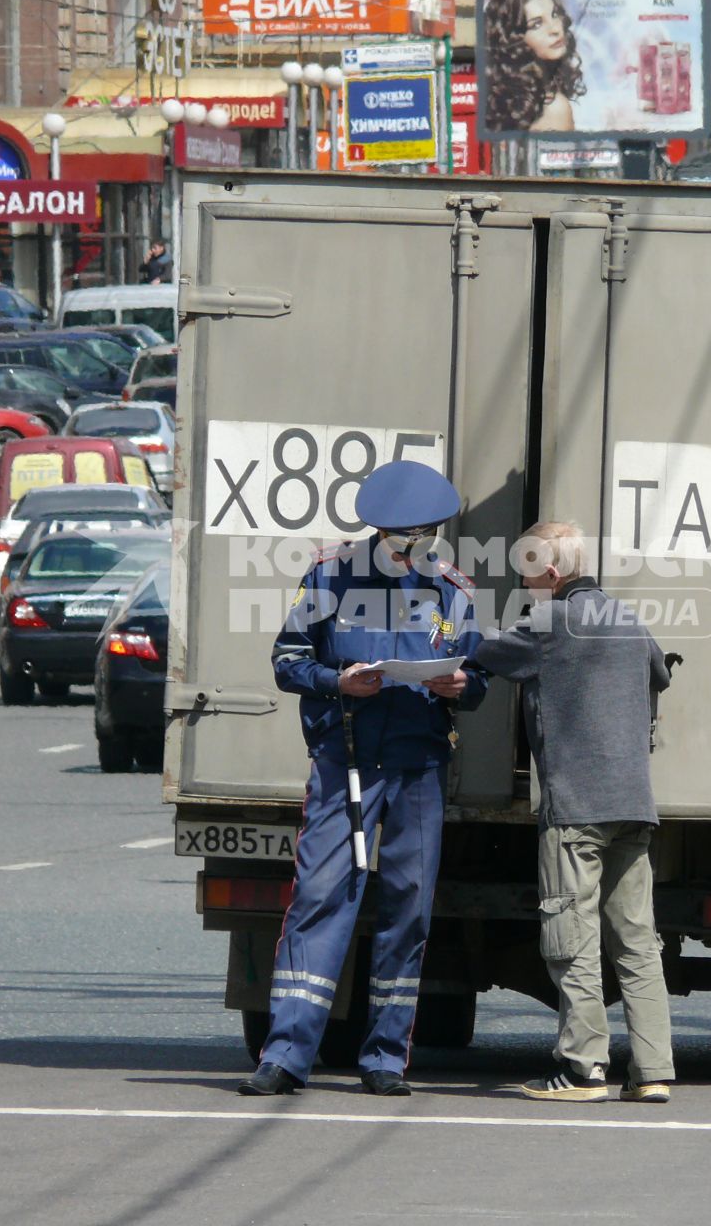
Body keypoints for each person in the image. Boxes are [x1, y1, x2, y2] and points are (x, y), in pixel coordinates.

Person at [239, 460, 490, 1098]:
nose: (417, 548)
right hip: (343, 762)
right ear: (382, 532)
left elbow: (478, 675)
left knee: (407, 908)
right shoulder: (328, 575)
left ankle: (384, 1060)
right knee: (321, 898)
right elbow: (288, 659)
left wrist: (461, 684)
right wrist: (337, 682)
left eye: (427, 535)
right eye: (407, 537)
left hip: (419, 767)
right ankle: (286, 1056)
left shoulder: (452, 589)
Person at [473, 522, 675, 1103]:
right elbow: (659, 675)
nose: (525, 585)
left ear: (552, 573)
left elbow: (483, 650)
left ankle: (583, 1069)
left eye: (528, 575)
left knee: (572, 936)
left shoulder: (549, 622)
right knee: (637, 942)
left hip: (576, 808)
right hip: (634, 805)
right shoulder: (627, 620)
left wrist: (441, 623)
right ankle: (653, 1071)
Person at [483, 0, 586, 133]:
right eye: (537, 24)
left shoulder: (496, 101)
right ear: (512, 39)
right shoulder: (554, 107)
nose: (555, 29)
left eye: (554, 15)